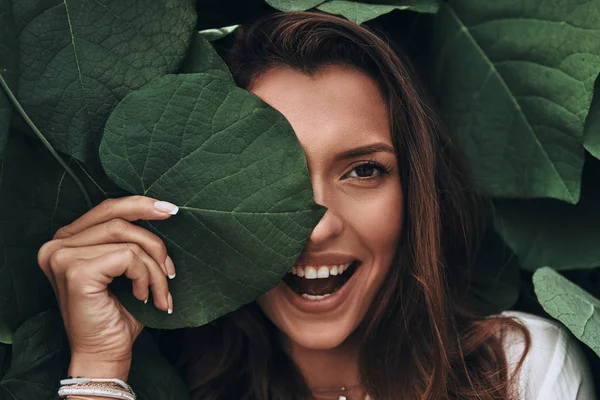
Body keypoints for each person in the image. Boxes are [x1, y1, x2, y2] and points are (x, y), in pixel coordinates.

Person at [36, 11, 595, 400]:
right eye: (269, 176)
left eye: (364, 170)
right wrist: (99, 372)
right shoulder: (165, 383)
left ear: (416, 190)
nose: (315, 224)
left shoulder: (518, 368)